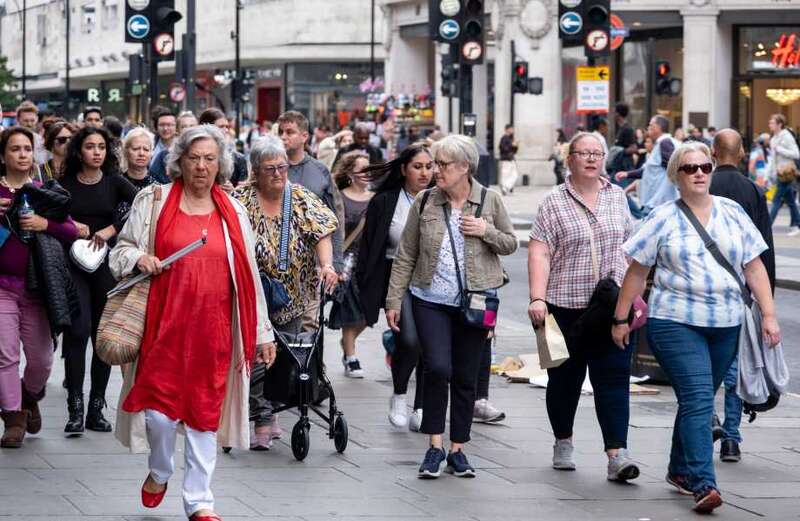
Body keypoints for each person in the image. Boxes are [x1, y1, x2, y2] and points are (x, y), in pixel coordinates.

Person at [109, 124, 275, 521]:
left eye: (209, 159)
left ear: (221, 165)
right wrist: (138, 259)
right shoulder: (153, 200)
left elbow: (250, 276)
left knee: (204, 415)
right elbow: (121, 251)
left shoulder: (232, 211)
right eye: (194, 158)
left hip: (214, 330)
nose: (201, 166)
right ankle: (161, 468)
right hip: (162, 326)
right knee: (158, 415)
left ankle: (199, 500)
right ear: (179, 162)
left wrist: (261, 332)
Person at [613, 141, 780, 513]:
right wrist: (621, 318)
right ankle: (704, 483)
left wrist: (768, 315)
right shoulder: (662, 217)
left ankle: (678, 470)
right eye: (690, 168)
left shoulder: (733, 212)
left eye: (705, 166)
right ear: (676, 176)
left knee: (696, 398)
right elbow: (637, 272)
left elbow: (754, 266)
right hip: (674, 322)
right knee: (701, 399)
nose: (700, 173)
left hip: (725, 323)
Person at [385, 134, 517, 479]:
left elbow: (510, 244)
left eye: (442, 165)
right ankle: (433, 446)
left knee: (464, 375)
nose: (435, 171)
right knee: (438, 368)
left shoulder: (490, 201)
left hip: (476, 301)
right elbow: (406, 254)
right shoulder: (426, 201)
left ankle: (458, 449)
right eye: (434, 164)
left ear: (464, 168)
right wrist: (394, 300)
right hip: (430, 299)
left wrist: (486, 230)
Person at [528, 131, 639, 482]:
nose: (592, 158)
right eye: (584, 153)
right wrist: (537, 297)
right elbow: (540, 251)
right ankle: (563, 442)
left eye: (597, 153)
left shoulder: (617, 197)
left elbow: (630, 245)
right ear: (570, 159)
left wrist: (630, 297)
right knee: (562, 381)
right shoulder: (553, 201)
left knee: (613, 381)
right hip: (560, 309)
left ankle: (616, 456)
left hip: (610, 308)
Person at [233, 135, 338, 450]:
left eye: (282, 167)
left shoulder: (301, 197)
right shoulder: (241, 199)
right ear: (255, 171)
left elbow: (322, 233)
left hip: (297, 295)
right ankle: (263, 417)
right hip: (254, 294)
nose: (278, 174)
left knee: (285, 357)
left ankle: (274, 411)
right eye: (270, 169)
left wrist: (327, 266)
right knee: (255, 357)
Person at [0, 127, 79, 448]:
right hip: (2, 288)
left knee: (42, 360)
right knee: (5, 356)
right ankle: (13, 416)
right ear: (3, 156)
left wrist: (44, 223)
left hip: (37, 290)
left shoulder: (44, 190)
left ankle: (29, 396)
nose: (22, 154)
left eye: (26, 149)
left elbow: (72, 231)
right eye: (15, 149)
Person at [59, 126, 138, 436]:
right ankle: (75, 409)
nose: (96, 152)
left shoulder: (115, 182)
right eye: (90, 146)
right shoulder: (64, 184)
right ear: (80, 151)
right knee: (77, 332)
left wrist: (110, 230)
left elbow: (141, 207)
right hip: (73, 265)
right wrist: (69, 224)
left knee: (101, 337)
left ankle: (96, 408)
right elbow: (49, 215)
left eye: (102, 147)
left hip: (106, 266)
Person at [708, 129, 776, 463]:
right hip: (740, 293)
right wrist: (767, 307)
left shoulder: (701, 185)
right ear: (744, 152)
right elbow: (764, 251)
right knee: (736, 368)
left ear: (712, 152)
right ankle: (732, 439)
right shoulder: (752, 190)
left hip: (702, 291)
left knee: (702, 368)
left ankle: (707, 419)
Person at [357, 143, 433, 427]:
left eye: (429, 166)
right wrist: (364, 284)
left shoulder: (439, 199)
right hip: (396, 278)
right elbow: (369, 248)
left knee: (430, 344)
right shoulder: (385, 202)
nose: (424, 173)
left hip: (433, 279)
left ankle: (422, 406)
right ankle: (400, 394)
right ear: (403, 170)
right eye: (417, 167)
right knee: (410, 340)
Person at [278, 110, 346, 327]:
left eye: (290, 132)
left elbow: (334, 219)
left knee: (309, 325)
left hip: (313, 262)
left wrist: (335, 263)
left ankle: (312, 362)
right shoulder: (271, 170)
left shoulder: (320, 171)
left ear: (304, 136)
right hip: (275, 263)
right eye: (280, 132)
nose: (283, 137)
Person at [329, 150, 373, 377]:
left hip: (367, 263)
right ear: (350, 172)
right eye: (361, 169)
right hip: (345, 262)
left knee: (369, 311)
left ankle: (347, 344)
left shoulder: (375, 198)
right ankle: (351, 356)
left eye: (369, 169)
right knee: (349, 308)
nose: (366, 174)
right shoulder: (340, 197)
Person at [616, 115, 678, 216]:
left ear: (657, 127)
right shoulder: (662, 144)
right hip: (655, 203)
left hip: (659, 204)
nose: (648, 129)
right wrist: (627, 174)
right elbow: (648, 170)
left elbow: (673, 168)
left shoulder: (665, 143)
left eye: (650, 126)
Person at [766, 113, 800, 235]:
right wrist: (769, 174)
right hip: (779, 173)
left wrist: (780, 149)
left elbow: (796, 154)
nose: (770, 124)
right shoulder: (774, 138)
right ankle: (797, 224)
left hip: (786, 173)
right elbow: (773, 159)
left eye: (772, 122)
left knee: (776, 200)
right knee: (790, 201)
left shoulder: (786, 136)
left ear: (780, 124)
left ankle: (767, 226)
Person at [198, 108, 248, 187]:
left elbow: (244, 196)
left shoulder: (239, 159)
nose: (226, 130)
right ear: (207, 127)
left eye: (227, 127)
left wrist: (232, 191)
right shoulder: (193, 156)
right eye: (221, 127)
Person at [149, 110, 198, 183]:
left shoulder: (207, 151)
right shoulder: (164, 155)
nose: (188, 130)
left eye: (192, 126)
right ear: (177, 130)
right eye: (183, 127)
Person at [15, 101, 48, 165]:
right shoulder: (9, 137)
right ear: (18, 119)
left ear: (37, 119)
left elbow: (43, 162)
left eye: (32, 120)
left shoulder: (40, 139)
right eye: (25, 121)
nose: (29, 124)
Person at [613, 103, 637, 174]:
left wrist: (619, 152)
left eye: (614, 112)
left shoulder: (627, 129)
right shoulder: (621, 128)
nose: (613, 114)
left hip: (625, 168)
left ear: (618, 114)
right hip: (619, 167)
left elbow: (633, 148)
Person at [499, 124, 519, 195]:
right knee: (505, 174)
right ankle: (505, 188)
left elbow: (514, 150)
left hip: (511, 158)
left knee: (514, 174)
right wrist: (511, 145)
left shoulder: (511, 138)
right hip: (506, 159)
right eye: (511, 129)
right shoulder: (504, 138)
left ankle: (506, 187)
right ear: (507, 129)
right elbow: (502, 148)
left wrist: (516, 146)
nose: (512, 131)